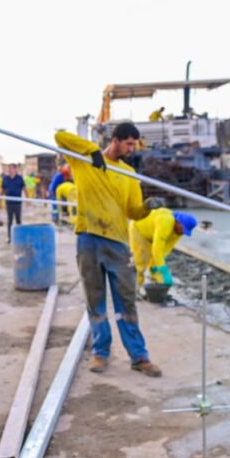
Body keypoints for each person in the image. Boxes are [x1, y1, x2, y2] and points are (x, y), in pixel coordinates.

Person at [55, 123, 162, 377]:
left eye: (133, 145)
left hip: (117, 242)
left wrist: (147, 206)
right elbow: (60, 136)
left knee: (126, 301)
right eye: (128, 143)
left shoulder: (129, 173)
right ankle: (100, 352)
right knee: (95, 299)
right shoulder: (83, 161)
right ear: (115, 140)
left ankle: (139, 356)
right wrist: (91, 150)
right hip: (88, 238)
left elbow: (132, 211)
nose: (131, 148)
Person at [129, 208, 197, 290]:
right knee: (141, 261)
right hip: (139, 229)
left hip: (152, 233)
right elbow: (156, 250)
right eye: (183, 229)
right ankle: (134, 289)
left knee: (155, 266)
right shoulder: (165, 222)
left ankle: (155, 286)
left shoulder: (179, 232)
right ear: (178, 222)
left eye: (185, 231)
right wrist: (164, 270)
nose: (182, 232)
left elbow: (165, 249)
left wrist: (156, 266)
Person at [1, 163, 26, 242]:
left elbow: (24, 188)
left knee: (18, 220)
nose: (9, 170)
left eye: (11, 168)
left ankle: (20, 237)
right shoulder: (5, 178)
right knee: (10, 220)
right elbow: (3, 190)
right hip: (9, 203)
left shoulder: (20, 178)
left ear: (15, 169)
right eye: (9, 168)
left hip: (17, 202)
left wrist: (28, 200)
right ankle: (10, 237)